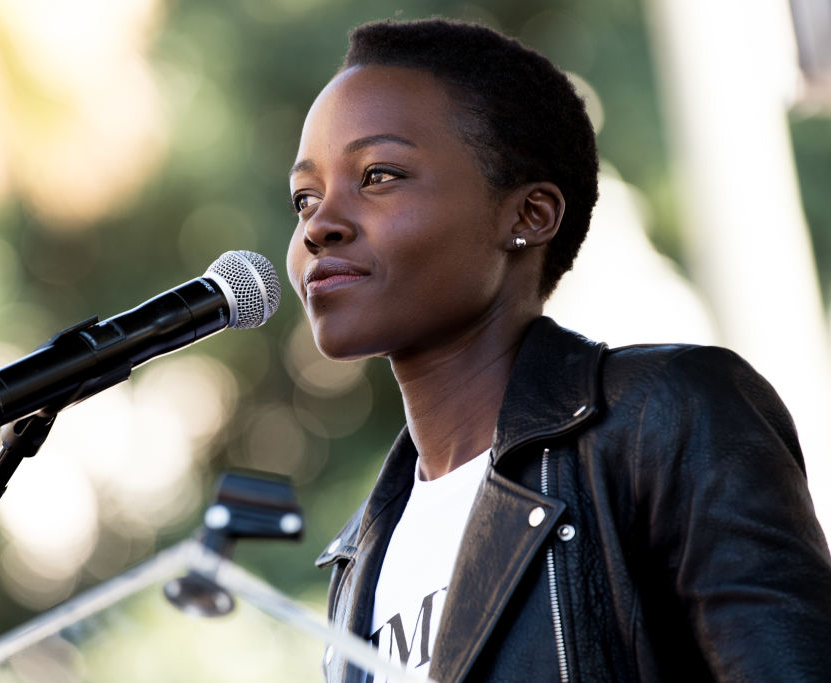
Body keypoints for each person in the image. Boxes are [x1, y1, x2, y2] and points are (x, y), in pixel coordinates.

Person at [285, 17, 831, 683]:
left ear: (529, 215)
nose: (319, 225)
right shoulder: (360, 555)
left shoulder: (665, 416)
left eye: (378, 175)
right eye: (304, 198)